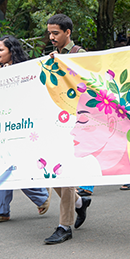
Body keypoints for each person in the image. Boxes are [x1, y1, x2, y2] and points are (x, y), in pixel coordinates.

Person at [0, 35, 52, 223]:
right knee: (1, 165)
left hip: (21, 127)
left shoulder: (24, 72)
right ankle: (2, 211)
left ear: (11, 51)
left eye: (1, 50)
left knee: (13, 166)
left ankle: (39, 196)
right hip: (1, 129)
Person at [44, 14, 92, 244]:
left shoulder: (79, 55)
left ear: (67, 33)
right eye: (49, 33)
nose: (51, 37)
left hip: (76, 122)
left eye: (55, 33)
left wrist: (62, 66)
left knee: (65, 173)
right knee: (52, 173)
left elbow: (88, 82)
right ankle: (80, 202)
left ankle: (65, 226)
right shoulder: (49, 56)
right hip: (56, 121)